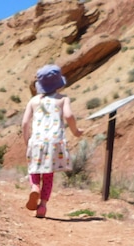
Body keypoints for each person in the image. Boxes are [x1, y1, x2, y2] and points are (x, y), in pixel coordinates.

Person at [21, 64, 83, 218]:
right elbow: (69, 116)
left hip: (36, 140)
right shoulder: (62, 99)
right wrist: (75, 131)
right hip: (54, 142)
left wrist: (26, 140)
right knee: (48, 175)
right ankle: (42, 206)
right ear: (58, 84)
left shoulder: (34, 101)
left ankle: (34, 186)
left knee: (34, 168)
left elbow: (24, 123)